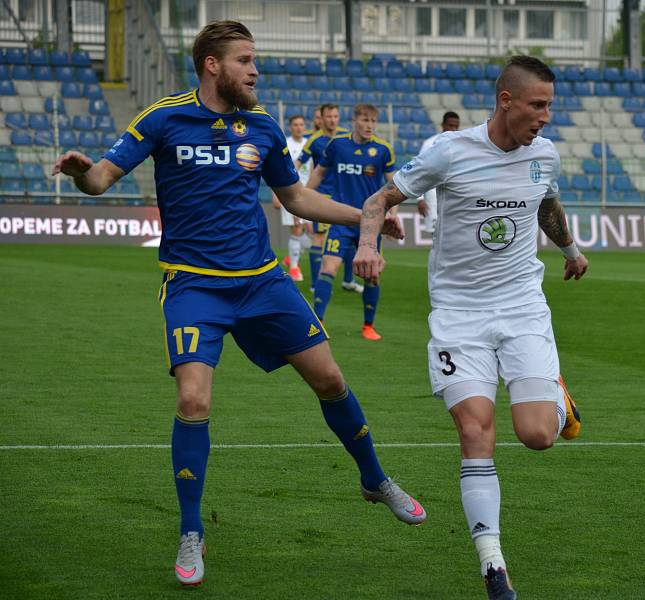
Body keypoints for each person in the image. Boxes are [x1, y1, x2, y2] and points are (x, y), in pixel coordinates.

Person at [51, 20, 426, 588]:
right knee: (193, 400)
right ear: (212, 65)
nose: (256, 70)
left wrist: (366, 216)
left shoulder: (264, 127)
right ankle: (191, 530)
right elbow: (102, 178)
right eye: (246, 60)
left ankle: (374, 479)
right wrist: (82, 174)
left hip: (262, 281)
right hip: (194, 285)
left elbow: (295, 196)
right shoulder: (163, 116)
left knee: (330, 380)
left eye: (255, 60)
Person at [354, 56, 588, 600]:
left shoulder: (544, 154)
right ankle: (493, 565)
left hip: (522, 306)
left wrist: (569, 249)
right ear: (506, 101)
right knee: (474, 430)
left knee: (536, 437)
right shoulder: (448, 152)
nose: (546, 116)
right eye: (538, 105)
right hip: (459, 314)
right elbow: (378, 199)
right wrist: (369, 244)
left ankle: (557, 395)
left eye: (550, 105)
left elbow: (547, 201)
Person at [306, 103, 398, 341]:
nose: (370, 126)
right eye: (365, 120)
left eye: (373, 121)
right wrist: (303, 197)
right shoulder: (337, 145)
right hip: (340, 218)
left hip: (370, 223)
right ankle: (318, 324)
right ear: (355, 121)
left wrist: (393, 212)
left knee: (372, 274)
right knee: (329, 267)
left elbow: (395, 185)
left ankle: (368, 325)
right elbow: (319, 172)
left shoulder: (382, 149)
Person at [295, 104, 363, 294]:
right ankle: (316, 284)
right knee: (319, 237)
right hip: (322, 195)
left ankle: (348, 280)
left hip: (344, 194)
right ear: (321, 119)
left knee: (349, 236)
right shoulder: (314, 140)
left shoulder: (345, 136)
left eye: (335, 116)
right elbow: (298, 163)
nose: (332, 120)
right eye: (329, 116)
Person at [272, 113, 312, 281]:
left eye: (301, 124)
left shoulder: (309, 145)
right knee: (296, 228)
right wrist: (276, 194)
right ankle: (295, 268)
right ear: (290, 127)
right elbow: (276, 170)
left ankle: (291, 258)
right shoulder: (286, 143)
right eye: (295, 124)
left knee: (310, 231)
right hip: (289, 192)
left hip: (309, 192)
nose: (298, 127)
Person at [416, 111, 460, 233]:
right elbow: (420, 170)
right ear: (443, 125)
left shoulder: (462, 144)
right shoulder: (430, 144)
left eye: (456, 126)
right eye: (450, 126)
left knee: (452, 234)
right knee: (435, 235)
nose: (454, 129)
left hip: (455, 195)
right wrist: (420, 199)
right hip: (433, 194)